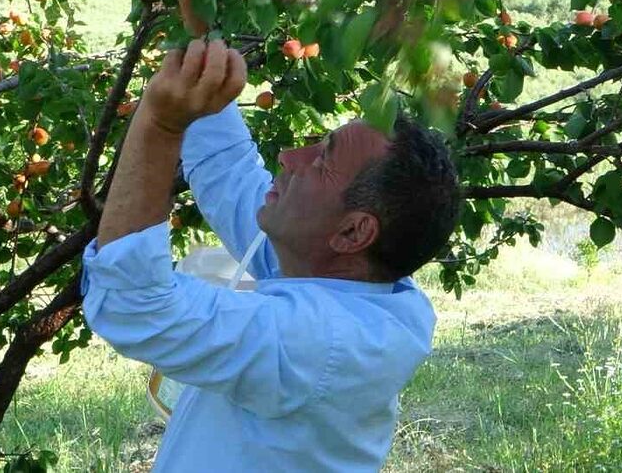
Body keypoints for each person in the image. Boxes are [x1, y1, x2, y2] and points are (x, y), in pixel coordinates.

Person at [81, 34, 461, 472]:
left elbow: (134, 304)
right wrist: (204, 46)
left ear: (355, 231)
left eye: (321, 162)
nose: (289, 156)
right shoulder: (351, 279)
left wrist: (161, 125)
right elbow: (232, 175)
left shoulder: (319, 340)